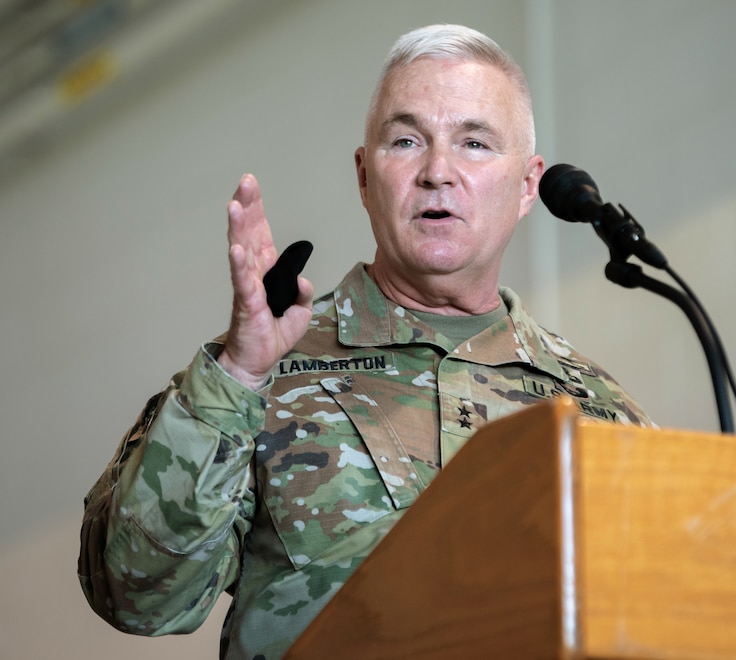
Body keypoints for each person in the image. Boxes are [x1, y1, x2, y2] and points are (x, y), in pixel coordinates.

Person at [78, 24, 653, 659]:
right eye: (407, 140)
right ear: (363, 176)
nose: (438, 172)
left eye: (476, 143)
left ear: (526, 185)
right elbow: (137, 596)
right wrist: (238, 375)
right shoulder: (259, 373)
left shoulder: (598, 407)